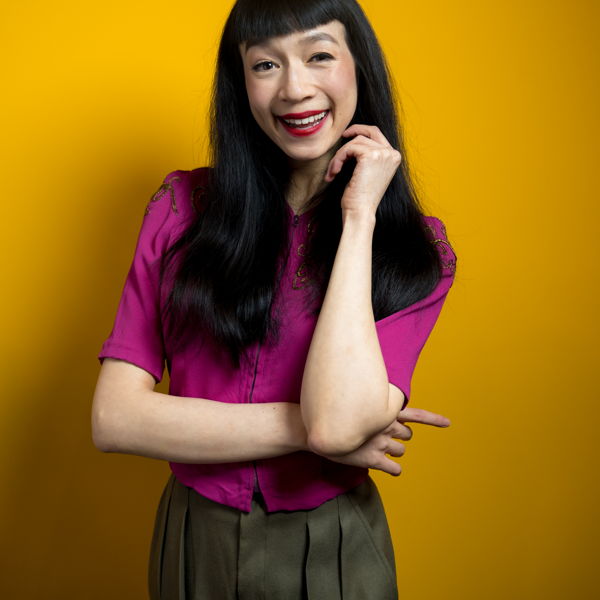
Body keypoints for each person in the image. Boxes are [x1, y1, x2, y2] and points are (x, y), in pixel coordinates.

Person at [92, 0, 457, 598]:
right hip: (194, 538)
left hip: (334, 545)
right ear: (240, 84)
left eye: (319, 56)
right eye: (265, 65)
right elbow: (114, 419)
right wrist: (312, 429)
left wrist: (360, 215)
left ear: (359, 66)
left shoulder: (417, 251)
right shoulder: (181, 208)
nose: (294, 88)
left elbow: (336, 425)